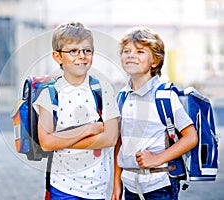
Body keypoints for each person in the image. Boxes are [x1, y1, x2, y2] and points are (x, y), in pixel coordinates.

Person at [33, 21, 120, 200]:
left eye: (87, 50)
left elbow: (111, 138)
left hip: (97, 188)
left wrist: (61, 139)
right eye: (73, 51)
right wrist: (88, 130)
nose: (81, 56)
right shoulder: (50, 94)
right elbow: (46, 143)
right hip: (62, 187)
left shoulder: (104, 90)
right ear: (57, 57)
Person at [111, 26, 198, 200]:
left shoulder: (165, 96)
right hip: (129, 185)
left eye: (140, 51)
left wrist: (156, 159)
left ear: (155, 61)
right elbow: (120, 142)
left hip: (159, 186)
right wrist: (116, 184)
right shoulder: (122, 97)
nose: (131, 55)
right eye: (126, 51)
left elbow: (191, 137)